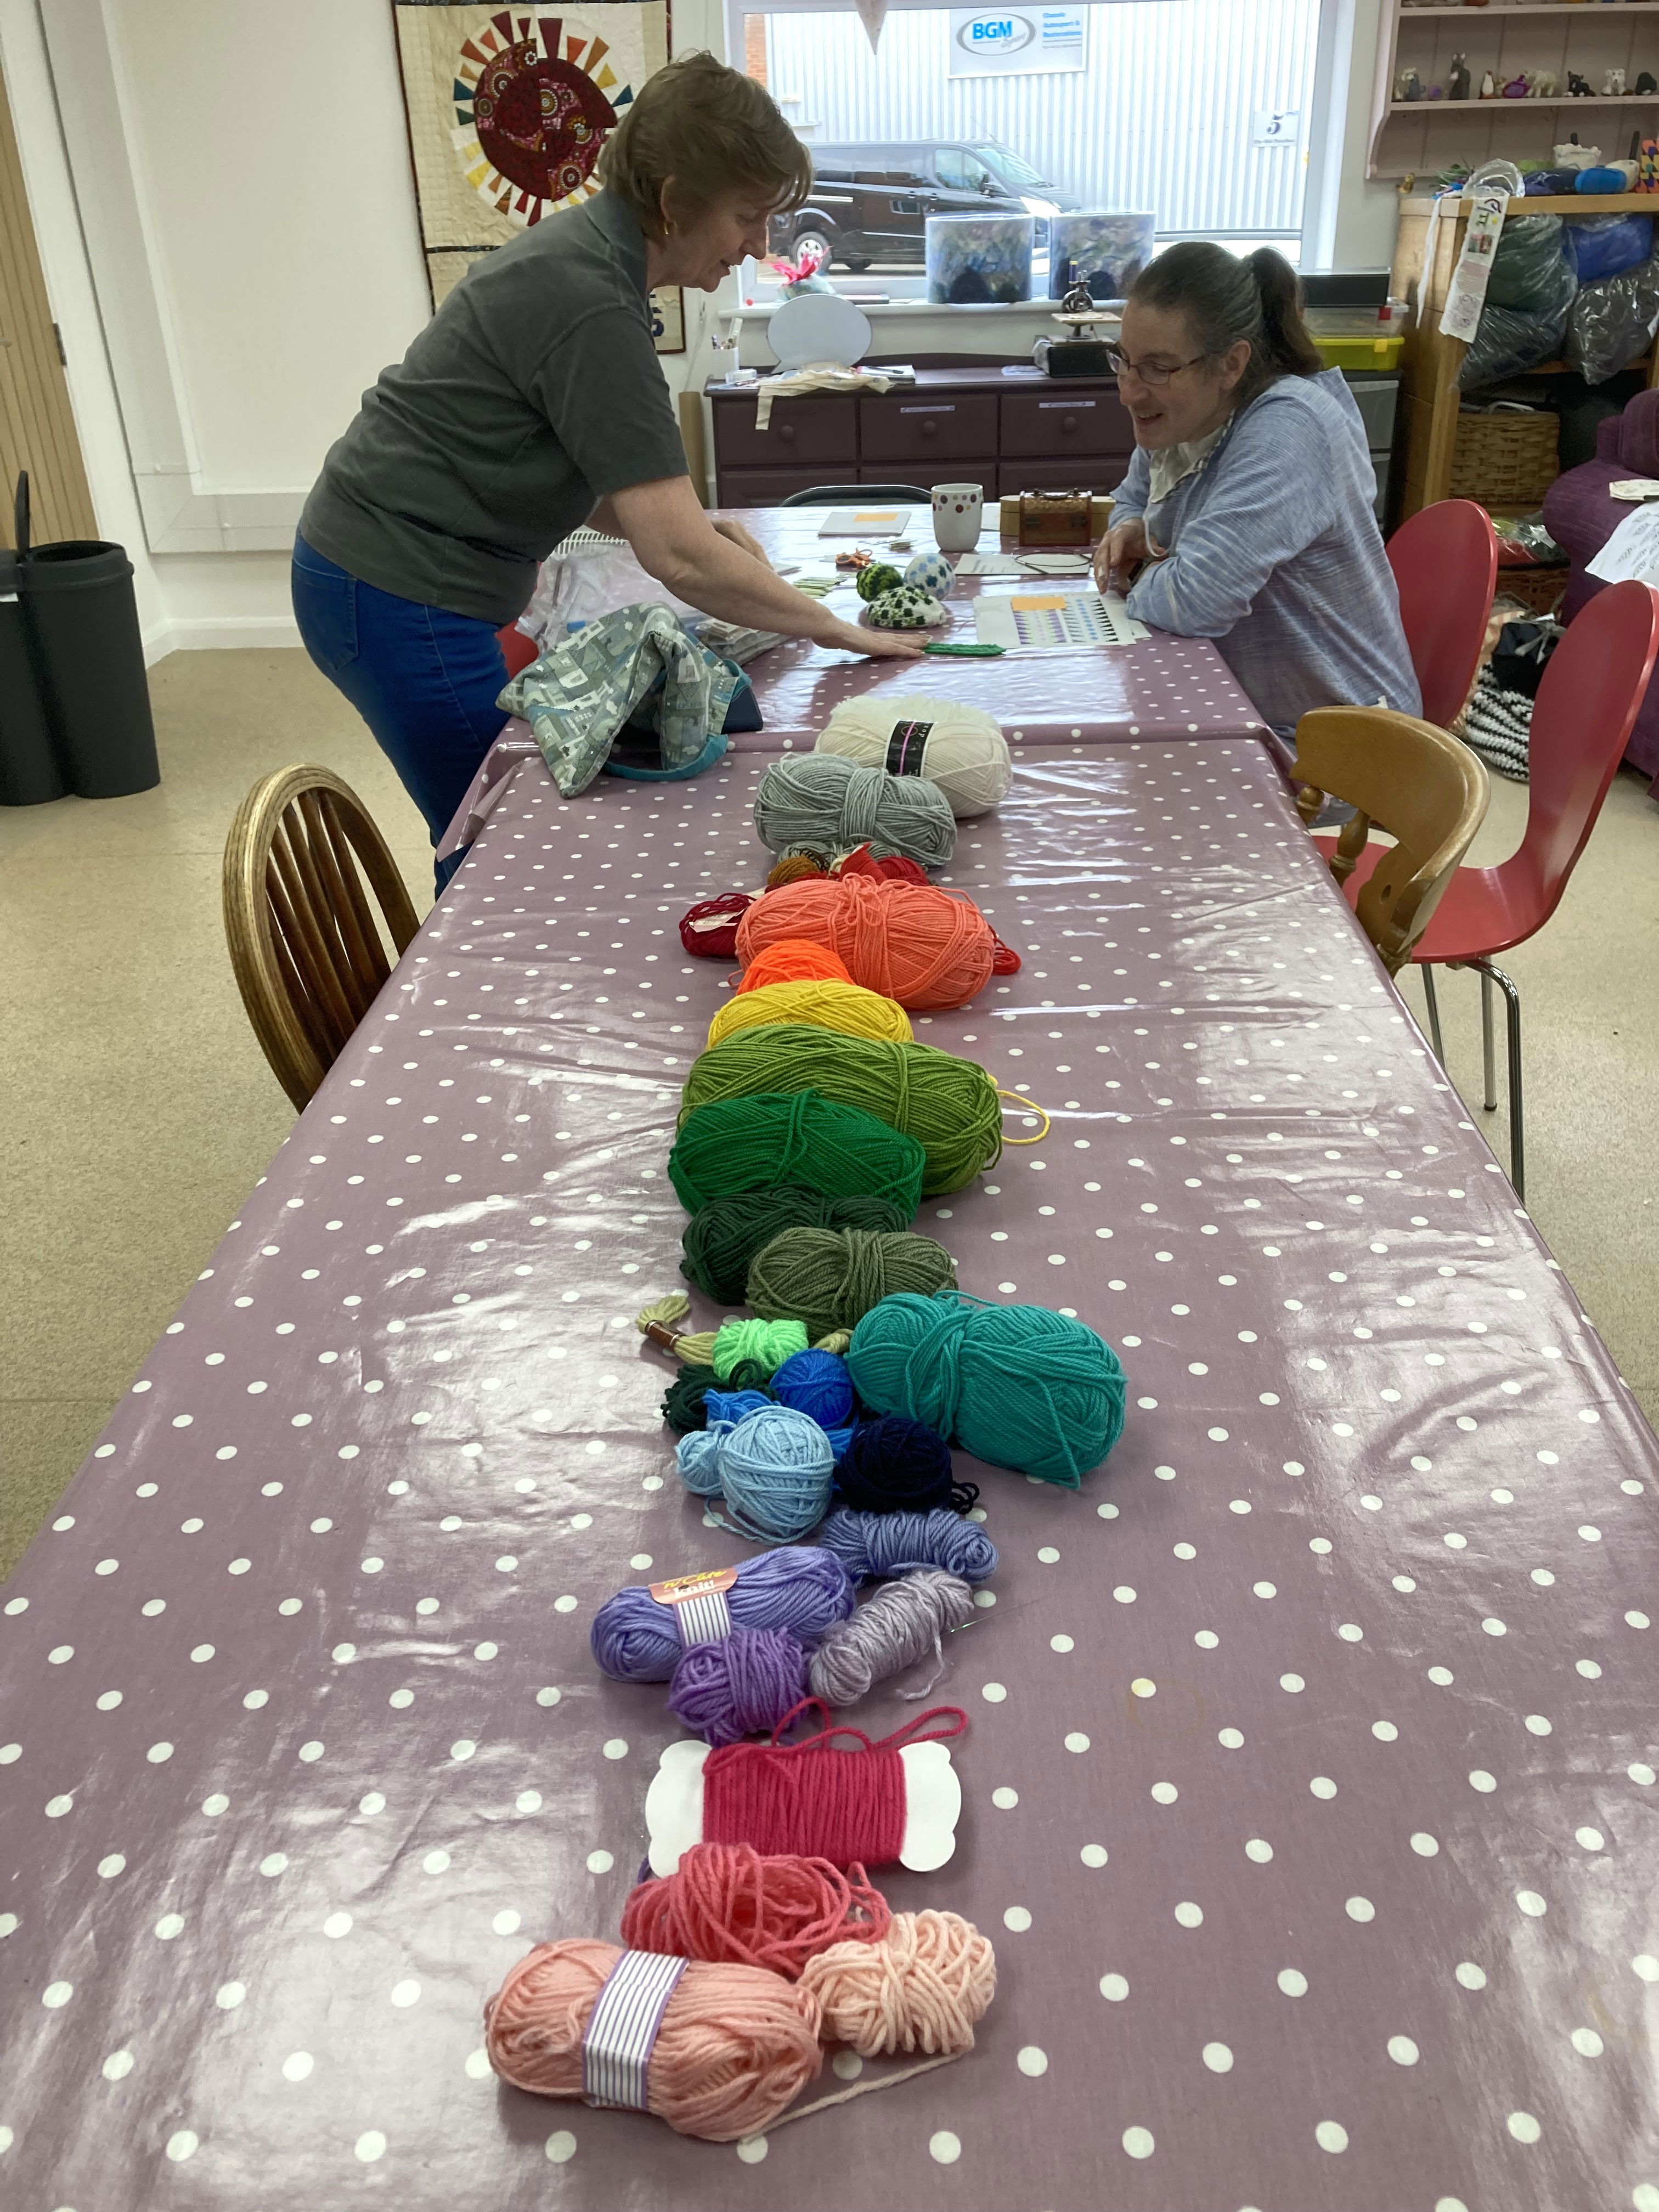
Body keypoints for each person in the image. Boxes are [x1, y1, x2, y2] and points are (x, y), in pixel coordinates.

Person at [294, 53, 921, 877]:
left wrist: (687, 525)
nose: (760, 245)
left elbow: (567, 467)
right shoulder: (589, 295)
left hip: (383, 569)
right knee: (495, 841)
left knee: (496, 817)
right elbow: (680, 559)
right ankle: (477, 998)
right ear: (672, 203)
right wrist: (836, 628)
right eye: (746, 216)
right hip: (396, 585)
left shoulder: (595, 266)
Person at [1093, 244, 1419, 739]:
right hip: (1242, 702)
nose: (1129, 391)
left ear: (1231, 364)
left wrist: (1138, 566)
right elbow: (1130, 499)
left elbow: (1195, 601)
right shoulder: (1182, 416)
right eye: (1125, 361)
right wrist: (1131, 528)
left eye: (1158, 368)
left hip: (1338, 740)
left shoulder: (1288, 428)